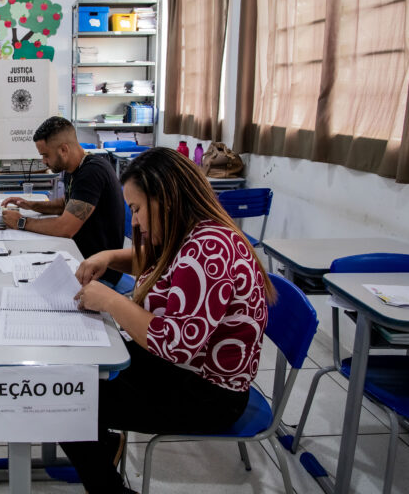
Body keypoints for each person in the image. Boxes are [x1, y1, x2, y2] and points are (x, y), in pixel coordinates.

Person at [61, 147, 275, 493]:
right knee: (79, 375)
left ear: (166, 198)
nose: (136, 222)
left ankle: (104, 480)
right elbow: (160, 263)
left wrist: (111, 300)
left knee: (65, 400)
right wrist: (111, 257)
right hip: (188, 371)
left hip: (209, 393)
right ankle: (100, 448)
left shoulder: (209, 249)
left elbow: (175, 345)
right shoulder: (195, 231)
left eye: (137, 209)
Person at [0, 116, 126, 284]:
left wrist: (21, 222)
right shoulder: (73, 169)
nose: (44, 161)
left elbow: (66, 228)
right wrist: (30, 205)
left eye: (45, 155)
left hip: (97, 273)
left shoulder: (92, 172)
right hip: (78, 258)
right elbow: (67, 204)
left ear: (64, 150)